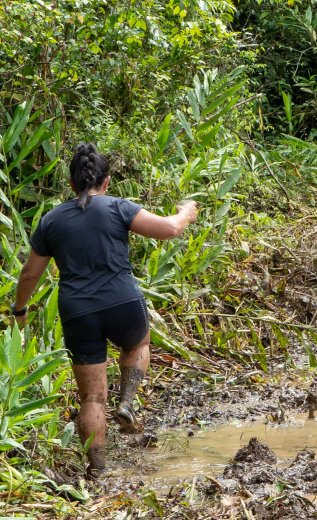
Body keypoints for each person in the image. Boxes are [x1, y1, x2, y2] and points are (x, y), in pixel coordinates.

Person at [11, 142, 198, 471]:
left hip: (78, 312)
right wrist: (186, 212)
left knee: (92, 399)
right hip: (122, 301)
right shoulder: (118, 207)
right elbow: (169, 229)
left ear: (71, 184)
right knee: (139, 342)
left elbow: (29, 274)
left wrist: (19, 310)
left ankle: (97, 471)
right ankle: (126, 401)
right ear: (106, 181)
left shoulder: (51, 221)